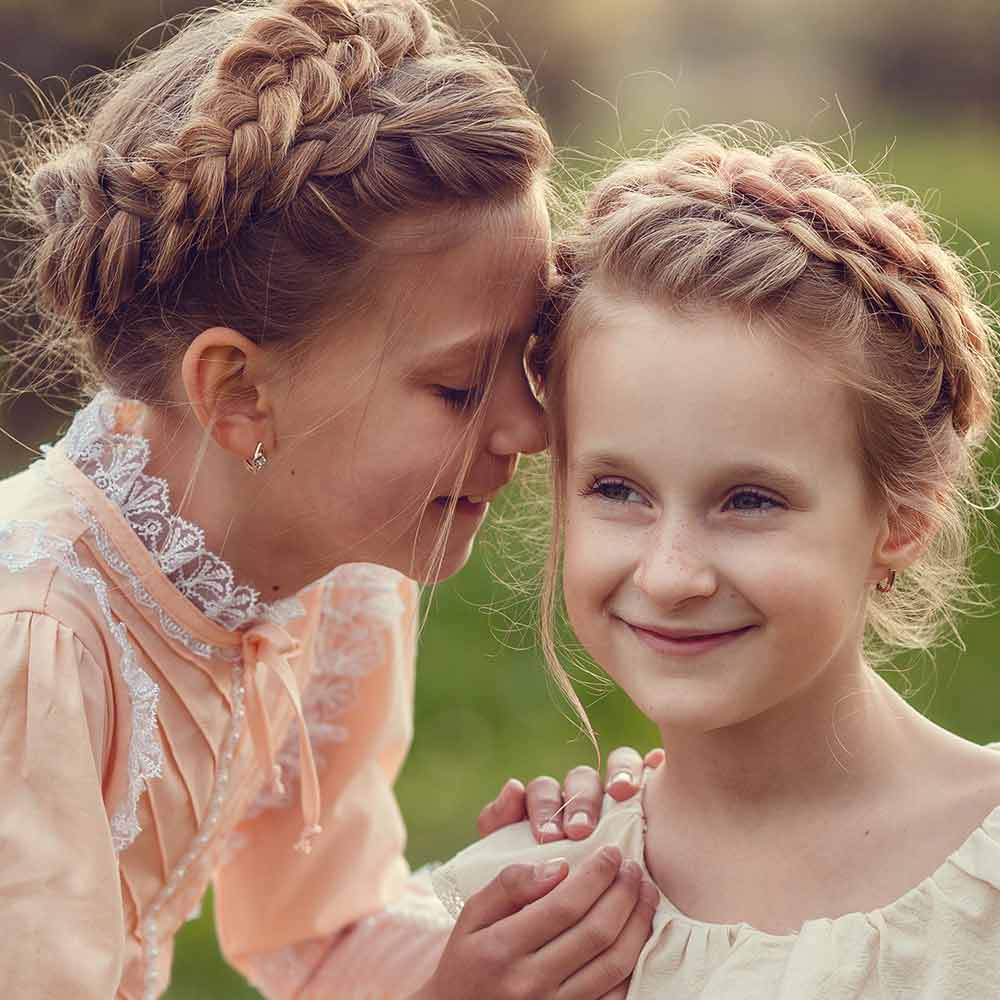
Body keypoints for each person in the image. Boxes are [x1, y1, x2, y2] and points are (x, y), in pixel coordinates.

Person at [0, 1, 659, 997]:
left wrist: (563, 906)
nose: (530, 429)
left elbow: (324, 929)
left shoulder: (334, 567)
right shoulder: (38, 645)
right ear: (239, 391)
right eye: (456, 387)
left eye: (526, 363)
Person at [432, 133, 1000, 998]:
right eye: (618, 488)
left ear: (903, 520)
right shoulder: (522, 922)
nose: (669, 575)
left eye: (750, 501)